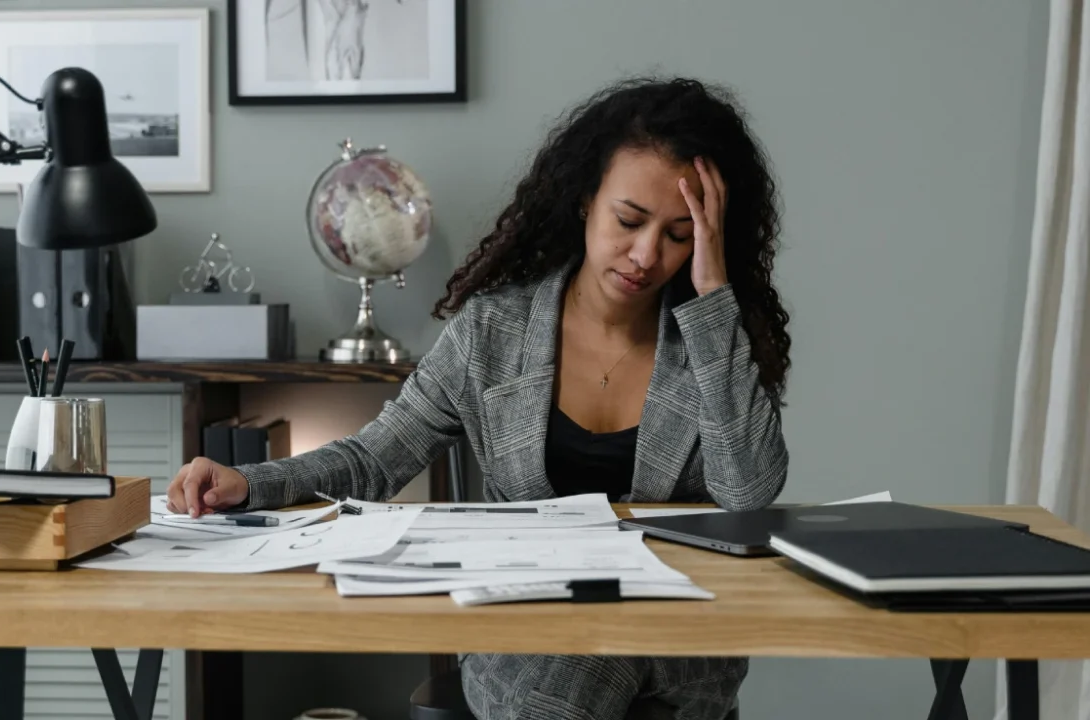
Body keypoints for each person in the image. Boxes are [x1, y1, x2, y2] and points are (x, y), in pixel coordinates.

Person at [167, 76, 791, 720]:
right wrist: (249, 482)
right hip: (527, 631)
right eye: (629, 221)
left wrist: (713, 298)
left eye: (680, 235)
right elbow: (374, 461)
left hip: (672, 637)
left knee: (589, 666)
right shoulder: (493, 332)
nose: (645, 254)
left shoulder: (714, 342)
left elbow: (747, 493)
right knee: (571, 675)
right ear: (585, 200)